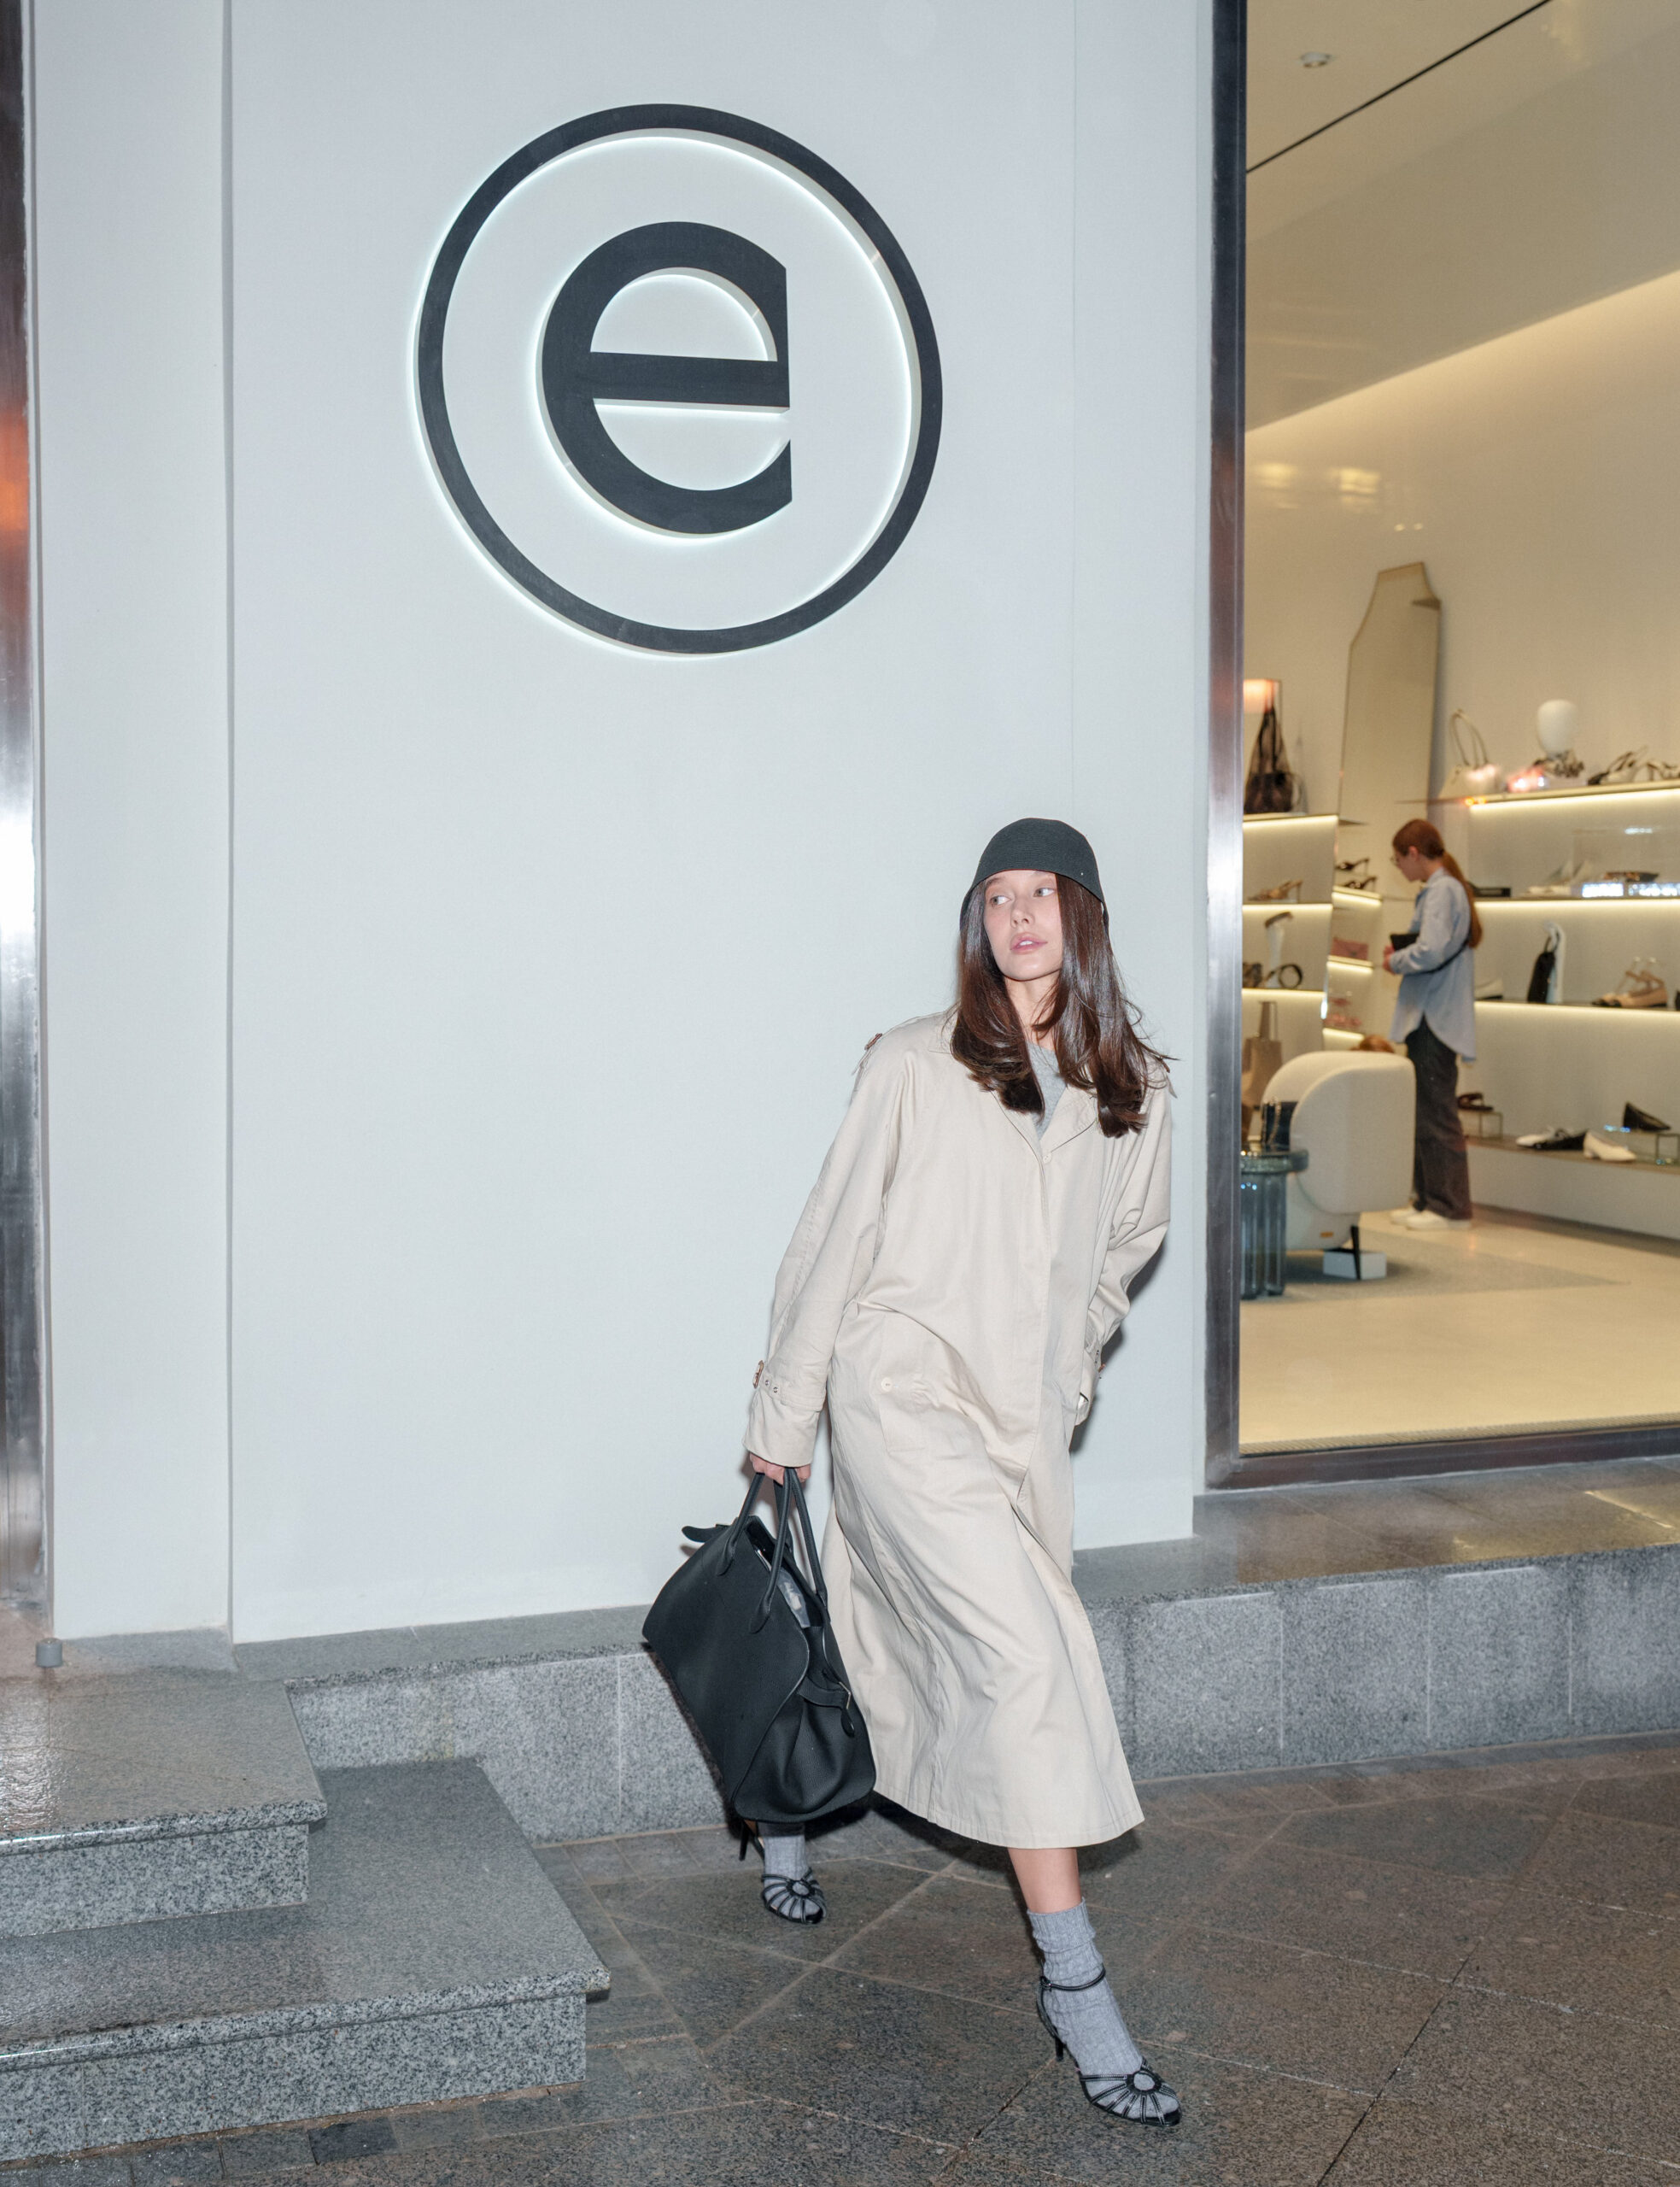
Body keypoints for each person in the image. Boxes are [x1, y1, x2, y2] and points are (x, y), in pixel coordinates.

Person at [742, 818, 1179, 2131]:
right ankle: (1077, 1992)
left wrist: (1071, 1369)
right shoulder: (908, 1063)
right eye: (996, 896)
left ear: (1082, 917)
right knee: (1025, 1662)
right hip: (899, 1392)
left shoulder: (1130, 1083)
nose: (1018, 915)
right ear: (976, 923)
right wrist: (785, 1414)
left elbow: (1127, 1246)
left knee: (908, 1627)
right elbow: (827, 1243)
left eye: (1040, 893)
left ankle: (779, 1799)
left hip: (1017, 1423)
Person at [1382, 818, 1481, 1230]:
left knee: (1436, 1114)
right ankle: (1428, 1200)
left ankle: (1448, 1207)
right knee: (1426, 1112)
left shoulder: (1443, 891)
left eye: (1398, 860)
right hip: (1430, 1016)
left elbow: (1432, 950)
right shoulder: (1443, 890)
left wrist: (1396, 960)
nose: (1399, 868)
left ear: (1413, 853)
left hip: (1434, 1019)